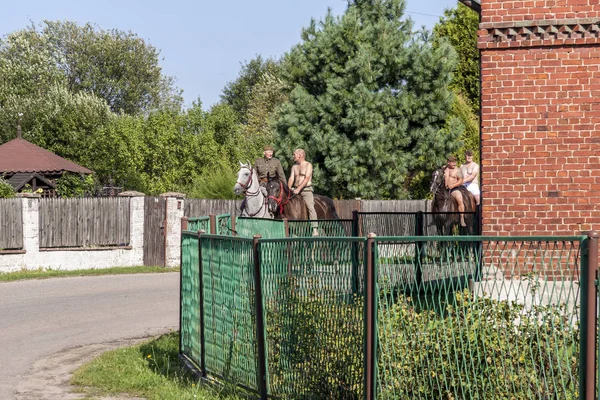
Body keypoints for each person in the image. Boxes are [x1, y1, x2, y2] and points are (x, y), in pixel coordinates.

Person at [288, 148, 318, 236]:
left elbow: (307, 178)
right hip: (295, 190)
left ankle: (314, 229)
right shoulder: (294, 167)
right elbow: (291, 178)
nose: (293, 156)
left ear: (300, 155)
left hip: (306, 190)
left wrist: (299, 189)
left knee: (310, 207)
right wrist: (289, 188)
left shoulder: (308, 165)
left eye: (294, 154)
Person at [444, 155, 467, 227]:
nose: (454, 164)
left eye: (455, 162)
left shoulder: (457, 170)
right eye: (452, 162)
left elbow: (461, 180)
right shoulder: (444, 169)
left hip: (454, 189)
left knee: (459, 198)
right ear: (448, 162)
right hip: (444, 190)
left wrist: (453, 185)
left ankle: (462, 218)